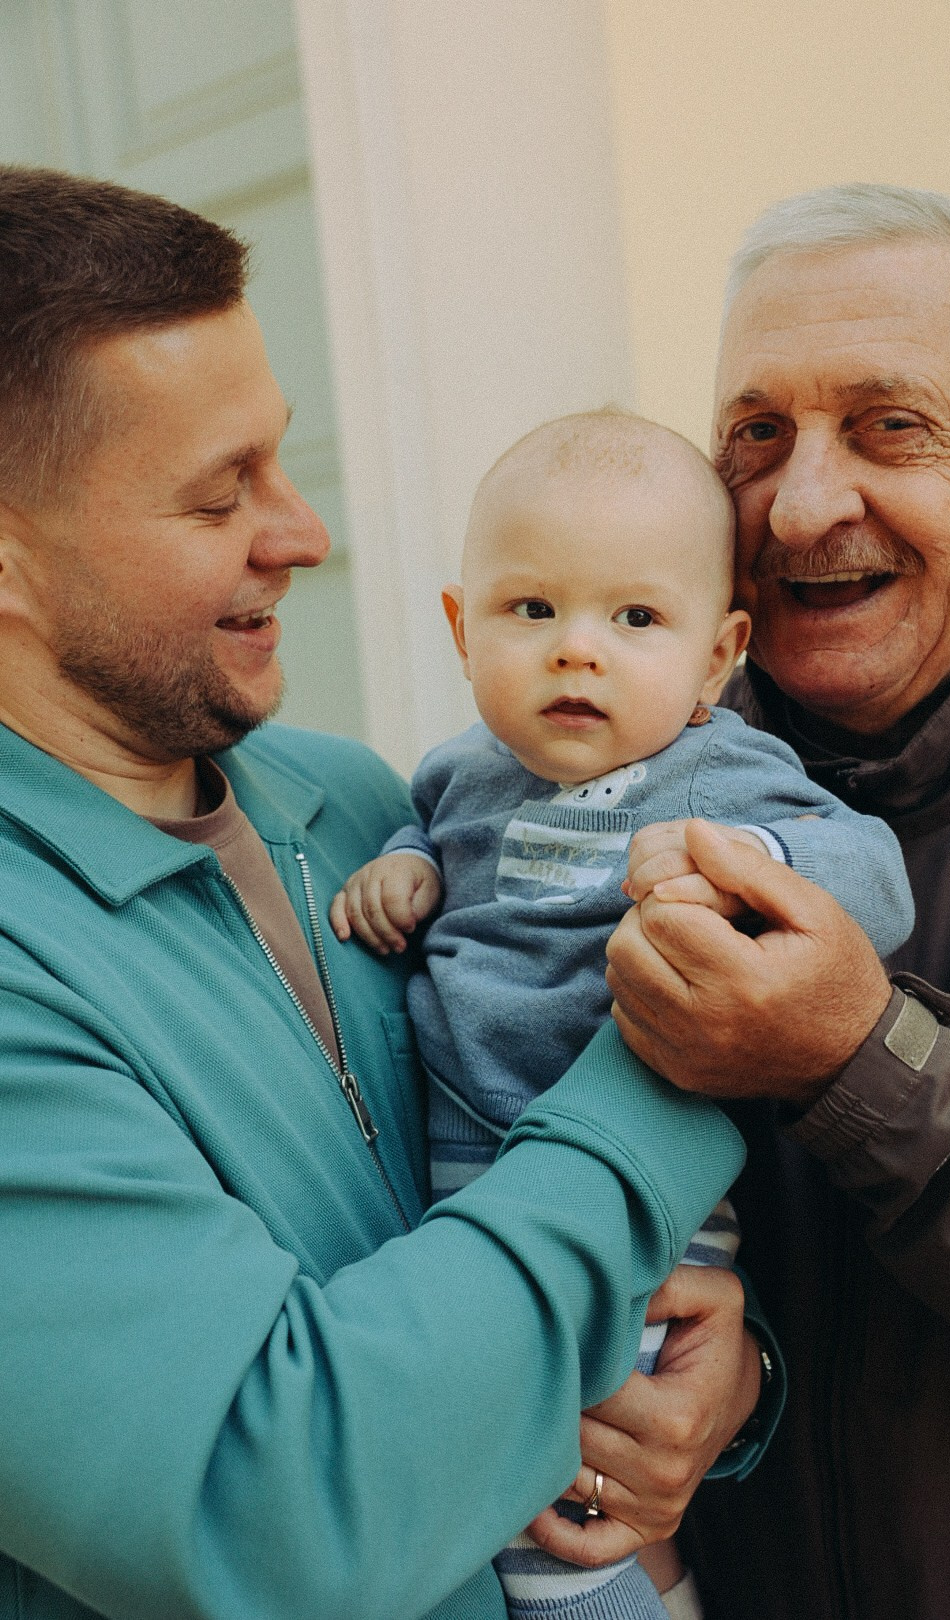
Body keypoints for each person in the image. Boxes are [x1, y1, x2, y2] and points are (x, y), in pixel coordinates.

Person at [0, 166, 763, 1620]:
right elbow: (280, 1503)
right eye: (219, 494)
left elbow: (507, 1268)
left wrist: (719, 1383)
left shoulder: (359, 804)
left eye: (280, 463)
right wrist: (675, 1062)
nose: (303, 533)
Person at [331, 409, 913, 1620]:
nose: (576, 652)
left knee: (561, 1513)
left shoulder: (719, 774)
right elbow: (428, 838)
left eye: (636, 618)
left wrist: (748, 863)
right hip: (466, 1171)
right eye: (533, 609)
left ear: (717, 658)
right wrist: (403, 870)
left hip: (646, 1201)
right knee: (513, 1480)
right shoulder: (458, 775)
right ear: (462, 629)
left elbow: (876, 880)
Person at [599, 184, 950, 1620]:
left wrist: (863, 1069)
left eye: (892, 427)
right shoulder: (599, 796)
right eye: (757, 435)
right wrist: (712, 1386)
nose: (802, 505)